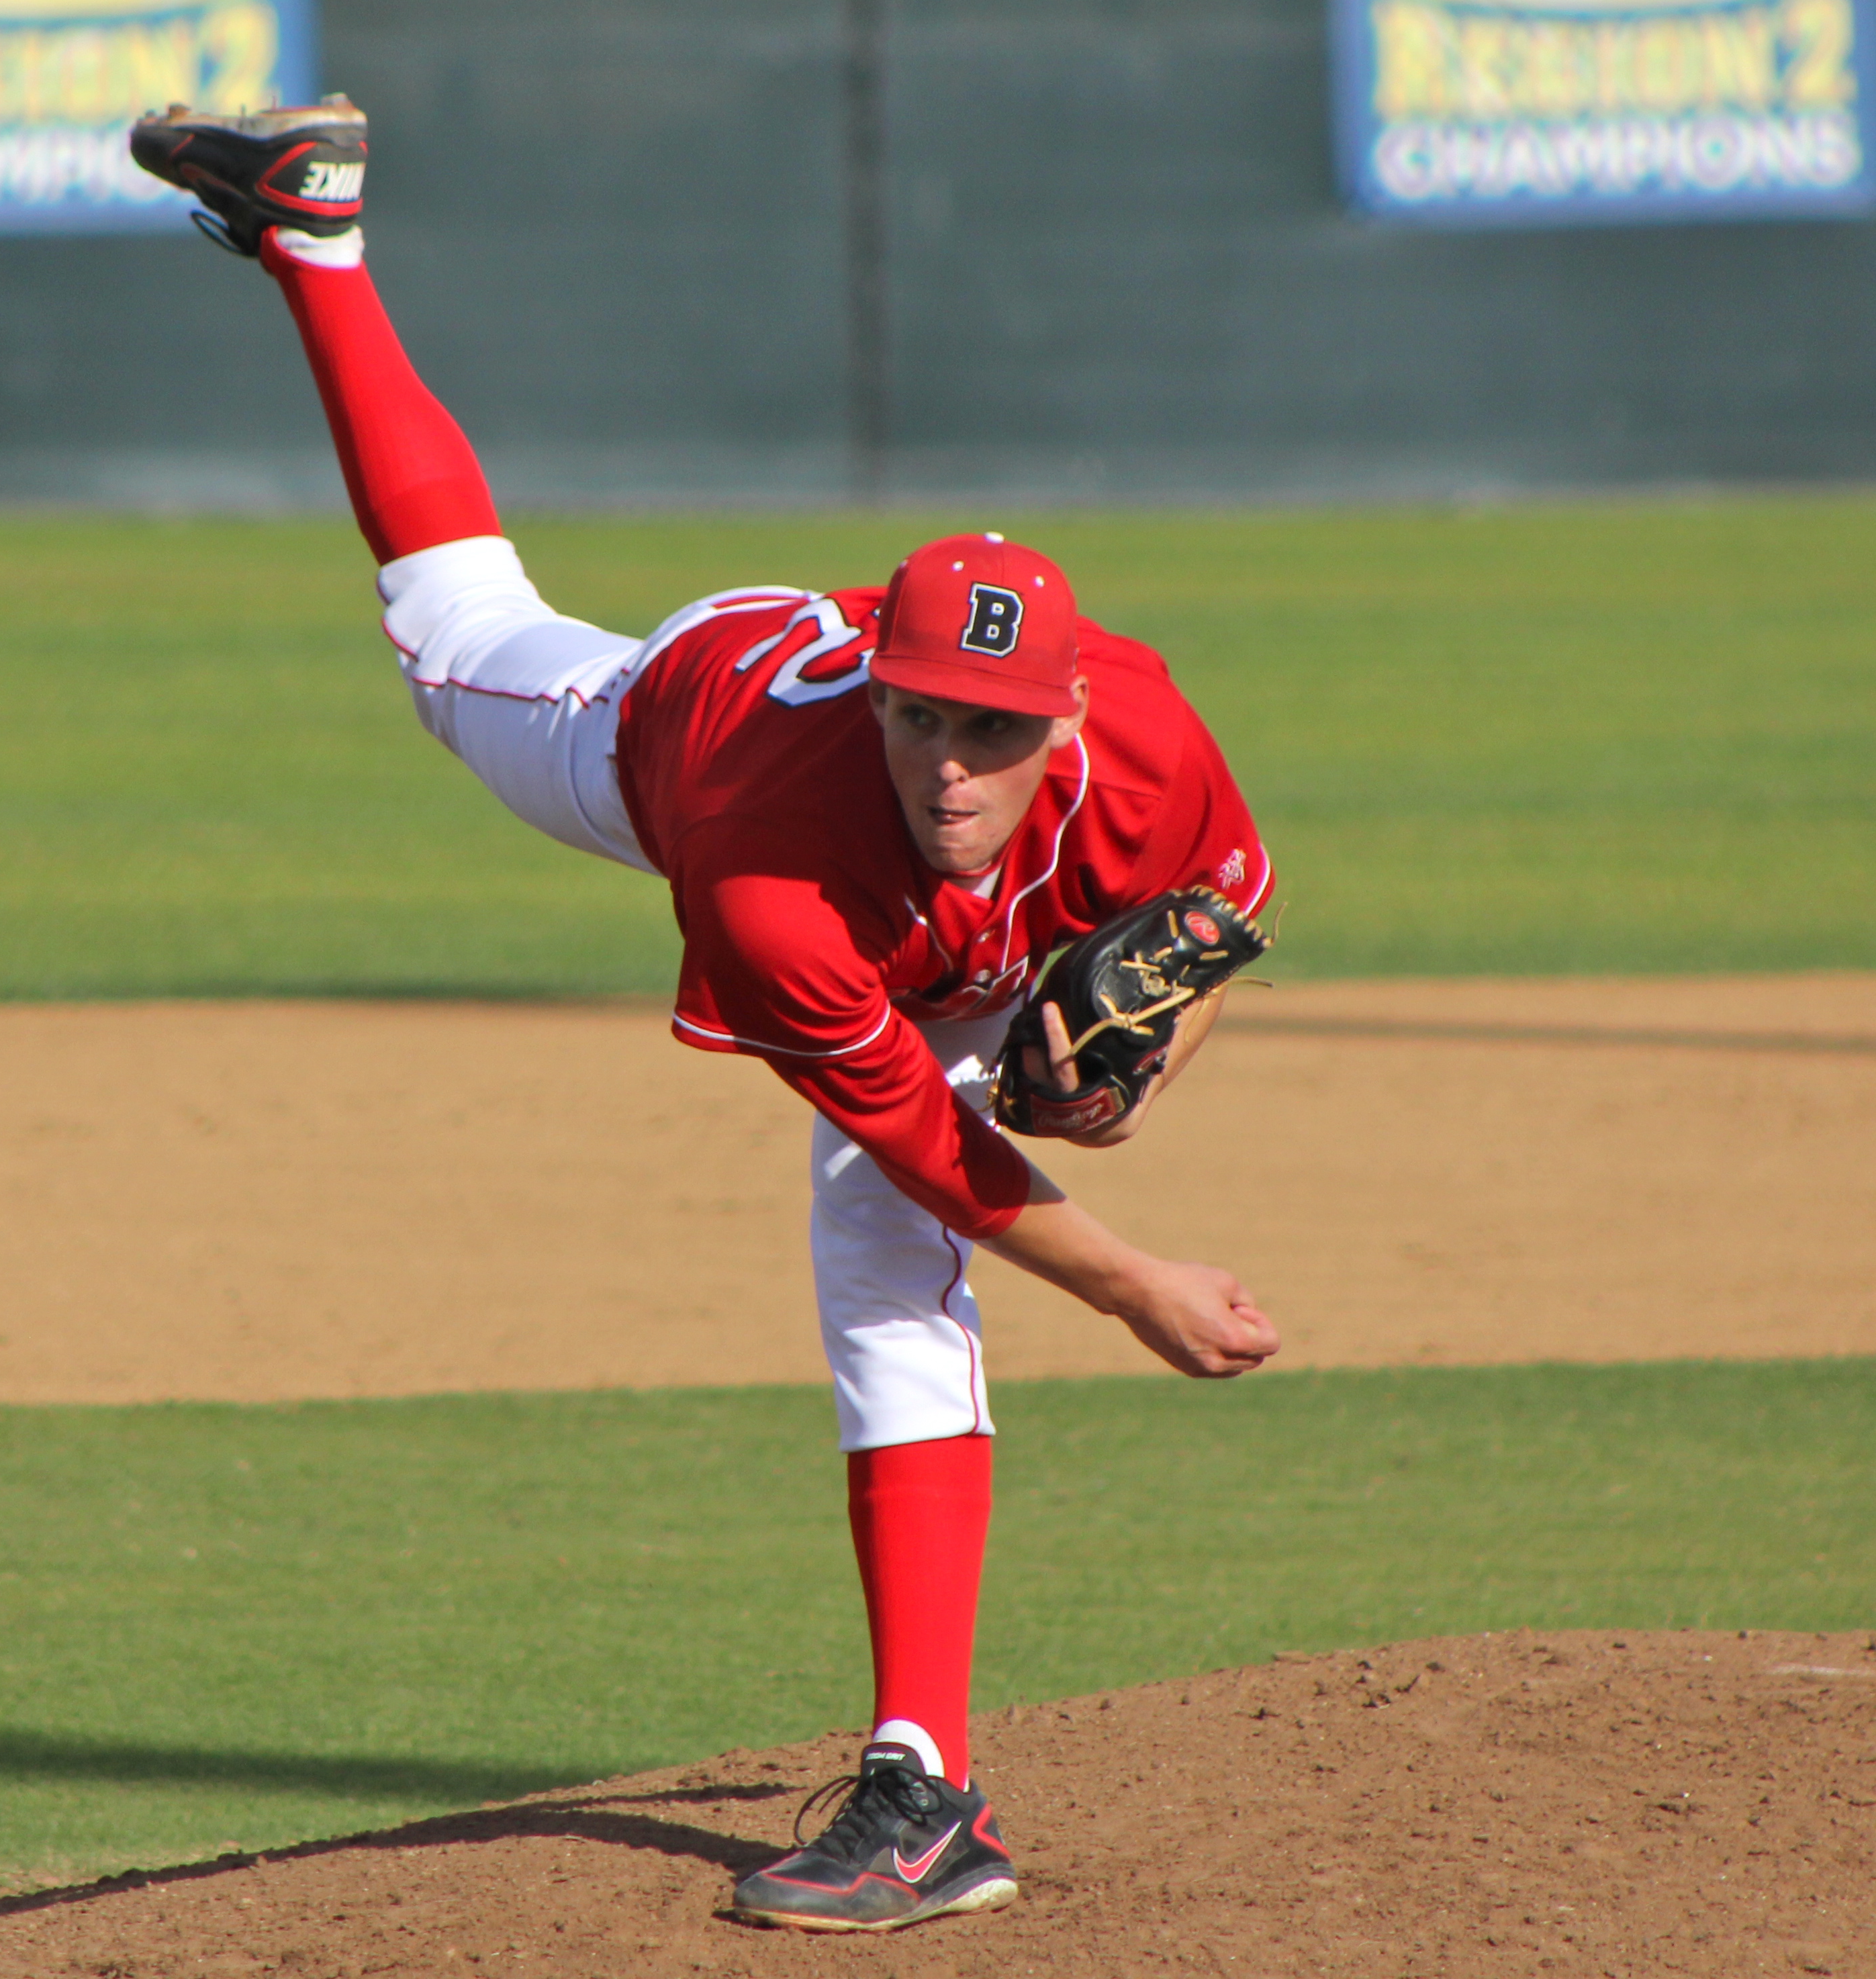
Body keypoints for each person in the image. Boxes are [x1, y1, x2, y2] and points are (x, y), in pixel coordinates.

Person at [130, 101, 1284, 1935]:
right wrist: (1131, 1272)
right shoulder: (762, 875)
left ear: (1066, 721)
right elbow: (925, 1137)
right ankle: (317, 248)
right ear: (884, 697)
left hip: (861, 822)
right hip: (668, 722)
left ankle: (919, 1777)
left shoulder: (1140, 734)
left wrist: (1143, 1070)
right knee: (448, 620)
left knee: (887, 1222)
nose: (955, 759)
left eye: (995, 725)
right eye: (922, 714)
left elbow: (1225, 909)